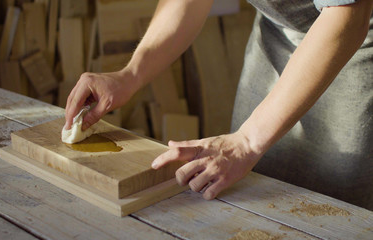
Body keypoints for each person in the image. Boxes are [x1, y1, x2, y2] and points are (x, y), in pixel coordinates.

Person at [64, 0, 373, 210]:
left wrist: (248, 141)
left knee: (334, 197)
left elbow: (348, 15)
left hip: (357, 33)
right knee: (254, 181)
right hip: (280, 27)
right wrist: (129, 75)